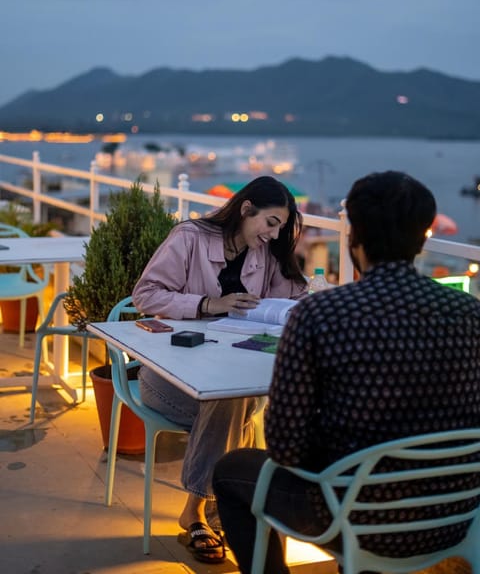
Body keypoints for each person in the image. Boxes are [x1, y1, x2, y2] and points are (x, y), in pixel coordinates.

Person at [213, 170, 480, 574]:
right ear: (424, 238)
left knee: (232, 471)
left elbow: (285, 445)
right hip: (450, 516)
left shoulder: (321, 314)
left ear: (353, 237)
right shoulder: (470, 314)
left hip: (354, 518)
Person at [132, 175, 307, 563]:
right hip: (167, 376)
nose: (275, 235)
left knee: (232, 397)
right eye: (271, 223)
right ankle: (201, 510)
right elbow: (145, 294)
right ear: (246, 210)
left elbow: (287, 298)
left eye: (280, 228)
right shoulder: (189, 238)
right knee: (231, 401)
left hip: (225, 366)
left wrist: (305, 294)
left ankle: (208, 509)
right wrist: (211, 304)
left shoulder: (265, 252)